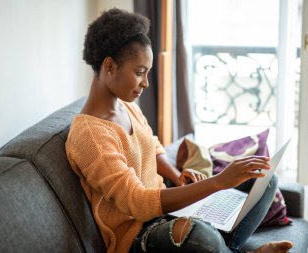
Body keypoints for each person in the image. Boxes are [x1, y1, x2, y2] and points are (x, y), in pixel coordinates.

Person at [65, 8, 293, 253]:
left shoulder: (126, 106)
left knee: (264, 180)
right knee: (198, 235)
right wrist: (218, 182)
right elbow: (138, 202)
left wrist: (176, 176)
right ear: (109, 66)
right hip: (139, 235)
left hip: (168, 210)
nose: (146, 83)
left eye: (147, 73)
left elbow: (152, 146)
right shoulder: (90, 136)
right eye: (139, 72)